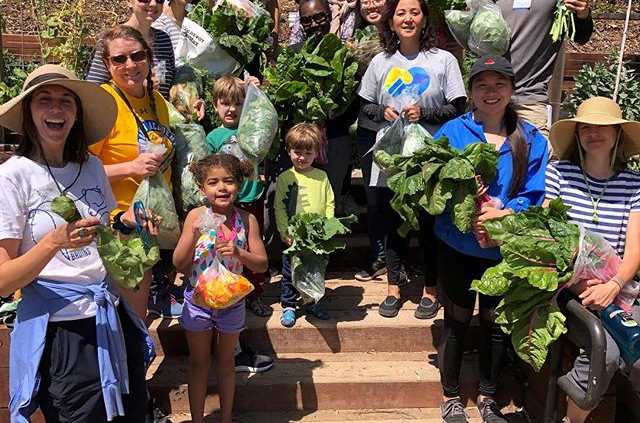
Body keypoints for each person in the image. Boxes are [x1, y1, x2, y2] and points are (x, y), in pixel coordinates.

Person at [0, 64, 155, 423]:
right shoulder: (12, 176)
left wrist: (128, 228)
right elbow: (5, 280)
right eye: (44, 100)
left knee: (132, 415)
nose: (56, 109)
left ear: (76, 113)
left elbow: (106, 248)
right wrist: (54, 242)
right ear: (28, 112)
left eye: (66, 101)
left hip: (111, 319)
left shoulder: (93, 167)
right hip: (62, 334)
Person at [433, 55, 549, 423]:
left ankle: (487, 396)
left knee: (495, 324)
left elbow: (536, 192)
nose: (491, 92)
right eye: (482, 84)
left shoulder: (530, 138)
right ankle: (451, 396)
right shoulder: (452, 132)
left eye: (499, 84)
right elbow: (430, 180)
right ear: (470, 92)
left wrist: (505, 212)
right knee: (457, 320)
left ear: (512, 90)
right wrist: (460, 192)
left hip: (506, 249)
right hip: (458, 245)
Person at [356, 0, 466, 319]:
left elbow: (458, 107)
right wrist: (383, 111)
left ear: (424, 19)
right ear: (391, 23)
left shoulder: (443, 60)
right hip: (391, 158)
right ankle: (393, 287)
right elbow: (364, 106)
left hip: (428, 160)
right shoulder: (381, 62)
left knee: (428, 224)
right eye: (400, 13)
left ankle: (431, 290)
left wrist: (426, 113)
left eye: (414, 12)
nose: (407, 19)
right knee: (394, 224)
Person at [544, 97, 640, 423]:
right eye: (586, 127)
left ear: (617, 134)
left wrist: (613, 285)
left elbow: (635, 250)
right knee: (605, 352)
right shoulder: (558, 173)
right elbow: (545, 235)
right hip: (570, 288)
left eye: (603, 127)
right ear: (577, 135)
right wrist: (585, 284)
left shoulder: (633, 183)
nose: (594, 133)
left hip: (619, 286)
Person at [89, 25, 177, 319]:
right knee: (119, 316)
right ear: (106, 64)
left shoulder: (158, 103)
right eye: (119, 59)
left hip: (148, 226)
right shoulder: (102, 103)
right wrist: (130, 167)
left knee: (135, 318)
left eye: (137, 56)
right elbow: (78, 169)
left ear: (148, 58)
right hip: (117, 225)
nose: (130, 65)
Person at [173, 153, 268, 423]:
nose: (222, 187)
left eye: (228, 181)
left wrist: (239, 253)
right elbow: (179, 264)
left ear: (239, 184)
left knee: (226, 363)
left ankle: (226, 418)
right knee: (199, 362)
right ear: (202, 189)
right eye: (213, 182)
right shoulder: (195, 216)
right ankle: (197, 419)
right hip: (197, 302)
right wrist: (193, 233)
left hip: (232, 304)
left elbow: (261, 264)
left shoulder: (246, 220)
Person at [206, 75, 271, 317]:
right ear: (215, 105)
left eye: (238, 103)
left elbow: (269, 114)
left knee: (253, 247)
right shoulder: (213, 137)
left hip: (251, 197)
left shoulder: (252, 129)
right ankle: (230, 287)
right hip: (225, 206)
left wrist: (257, 89)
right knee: (227, 247)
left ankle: (255, 293)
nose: (231, 109)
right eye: (225, 103)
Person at [496, 0, 593, 137]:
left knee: (533, 155)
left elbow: (581, 36)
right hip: (488, 98)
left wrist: (582, 15)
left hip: (529, 100)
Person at [274, 123, 335, 327]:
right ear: (289, 151)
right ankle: (289, 305)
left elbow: (329, 203)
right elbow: (279, 207)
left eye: (308, 153)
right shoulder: (285, 177)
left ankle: (312, 301)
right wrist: (285, 231)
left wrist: (327, 227)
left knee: (314, 271)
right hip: (293, 237)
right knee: (289, 271)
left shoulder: (322, 176)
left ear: (316, 153)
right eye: (297, 152)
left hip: (316, 236)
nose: (302, 157)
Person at [85, 0, 176, 99]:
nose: (153, 4)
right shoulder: (112, 41)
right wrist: (138, 86)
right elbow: (93, 89)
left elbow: (171, 85)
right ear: (128, 1)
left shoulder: (164, 39)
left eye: (159, 0)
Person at [289, 0, 358, 46]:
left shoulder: (360, 8)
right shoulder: (308, 7)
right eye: (307, 20)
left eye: (319, 17)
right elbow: (294, 44)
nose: (314, 24)